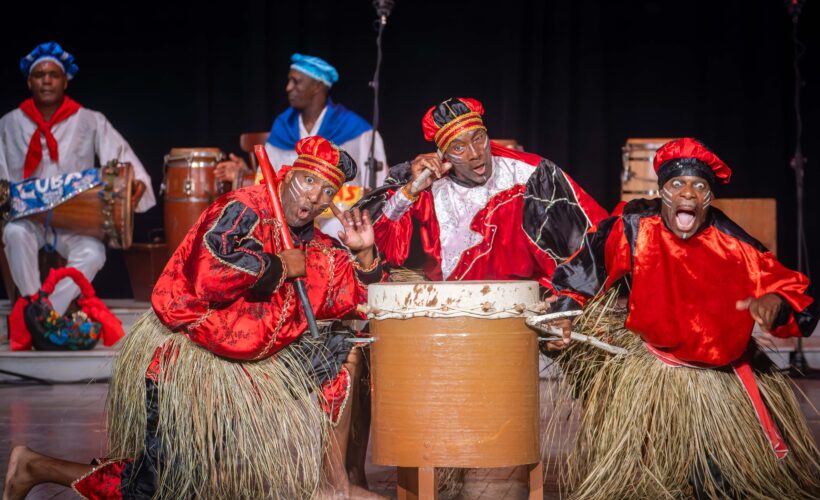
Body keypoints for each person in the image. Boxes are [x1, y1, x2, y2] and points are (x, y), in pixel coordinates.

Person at [3, 136, 386, 499]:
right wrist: (276, 266)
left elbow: (362, 298)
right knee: (156, 487)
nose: (313, 198)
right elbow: (207, 272)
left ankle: (336, 483)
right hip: (192, 359)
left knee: (341, 347)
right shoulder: (244, 208)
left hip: (251, 368)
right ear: (289, 172)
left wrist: (365, 254)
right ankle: (34, 467)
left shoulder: (318, 248)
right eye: (308, 181)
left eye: (326, 192)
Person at [541, 137, 820, 498]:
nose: (688, 193)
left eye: (699, 186)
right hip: (653, 369)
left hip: (718, 383)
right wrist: (564, 309)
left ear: (708, 199)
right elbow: (587, 266)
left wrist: (777, 303)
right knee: (650, 481)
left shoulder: (737, 246)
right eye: (677, 184)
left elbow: (797, 298)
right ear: (661, 192)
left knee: (718, 484)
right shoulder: (637, 227)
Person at [358, 96, 608, 288]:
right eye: (459, 147)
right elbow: (377, 242)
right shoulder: (427, 184)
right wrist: (411, 190)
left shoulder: (529, 174)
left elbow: (586, 238)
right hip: (451, 308)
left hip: (526, 305)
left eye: (478, 138)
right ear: (444, 155)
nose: (475, 153)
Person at [0, 41, 155, 316]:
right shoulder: (9, 124)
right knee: (13, 234)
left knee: (94, 253)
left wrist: (135, 183)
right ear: (29, 82)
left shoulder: (89, 120)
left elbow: (123, 160)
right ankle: (30, 302)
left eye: (54, 75)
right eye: (39, 75)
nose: (46, 81)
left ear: (65, 81)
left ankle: (46, 313)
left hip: (74, 220)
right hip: (28, 219)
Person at [216, 52, 387, 235]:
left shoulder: (355, 129)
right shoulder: (283, 126)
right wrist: (246, 174)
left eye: (296, 81)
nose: (288, 87)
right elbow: (266, 178)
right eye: (289, 81)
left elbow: (378, 188)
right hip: (288, 215)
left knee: (339, 231)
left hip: (336, 214)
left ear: (317, 86)